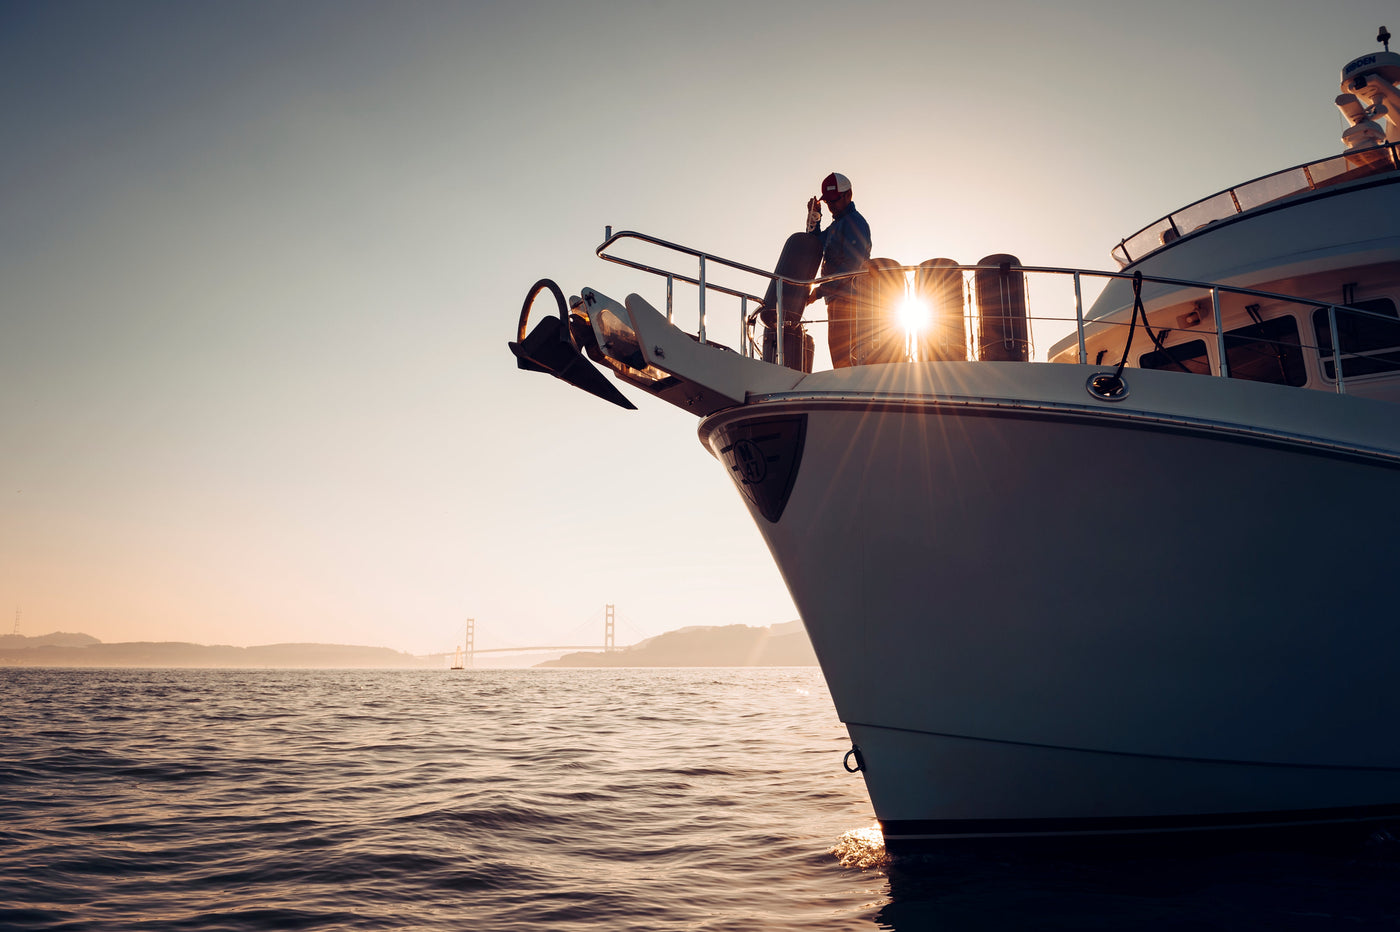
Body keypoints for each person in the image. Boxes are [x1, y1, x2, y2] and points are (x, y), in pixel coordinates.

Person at [805, 172, 872, 367]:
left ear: (848, 195)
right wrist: (814, 215)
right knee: (839, 358)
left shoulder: (855, 223)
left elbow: (850, 268)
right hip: (835, 300)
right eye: (828, 202)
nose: (831, 205)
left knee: (846, 359)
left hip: (851, 301)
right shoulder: (837, 226)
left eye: (834, 200)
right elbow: (813, 244)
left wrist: (818, 292)